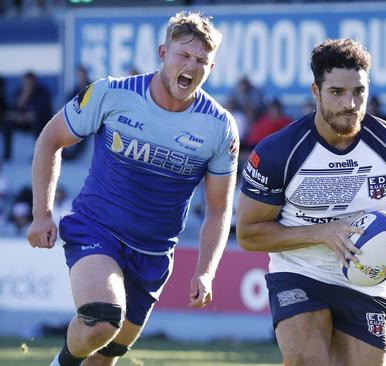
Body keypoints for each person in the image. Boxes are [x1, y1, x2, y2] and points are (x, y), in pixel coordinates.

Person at [26, 11, 238, 366]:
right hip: (97, 230)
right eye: (183, 55)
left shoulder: (220, 127)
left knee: (106, 355)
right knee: (102, 320)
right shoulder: (112, 93)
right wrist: (41, 214)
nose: (192, 65)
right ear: (162, 53)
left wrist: (206, 270)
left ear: (211, 68)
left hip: (153, 255)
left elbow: (219, 208)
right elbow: (50, 139)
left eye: (202, 60)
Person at [236, 38, 386, 366]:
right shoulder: (278, 151)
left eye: (359, 92)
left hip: (367, 281)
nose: (350, 103)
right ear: (315, 91)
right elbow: (248, 234)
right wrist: (321, 233)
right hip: (299, 273)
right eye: (336, 92)